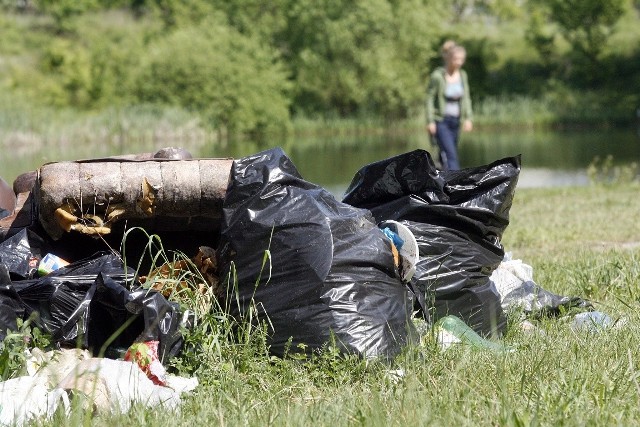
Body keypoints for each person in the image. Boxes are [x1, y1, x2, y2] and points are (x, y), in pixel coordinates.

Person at [426, 40, 473, 170]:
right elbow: (429, 98)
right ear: (448, 58)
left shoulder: (463, 75)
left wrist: (468, 118)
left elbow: (466, 98)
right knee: (451, 155)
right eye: (456, 59)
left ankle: (440, 183)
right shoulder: (437, 76)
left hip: (456, 120)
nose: (459, 62)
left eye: (461, 59)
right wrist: (430, 121)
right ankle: (456, 183)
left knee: (444, 155)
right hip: (441, 121)